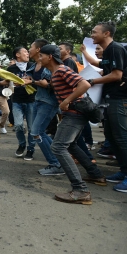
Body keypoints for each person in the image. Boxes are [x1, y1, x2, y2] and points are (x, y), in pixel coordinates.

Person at [40, 45, 107, 204]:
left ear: (50, 57)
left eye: (41, 55)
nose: (39, 58)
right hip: (74, 113)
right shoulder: (56, 72)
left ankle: (80, 190)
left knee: (58, 147)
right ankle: (95, 174)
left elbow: (84, 84)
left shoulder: (62, 70)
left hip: (75, 113)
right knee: (71, 145)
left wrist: (66, 101)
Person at [87, 21, 127, 192]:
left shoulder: (115, 48)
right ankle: (125, 171)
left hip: (121, 99)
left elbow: (116, 75)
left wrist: (91, 81)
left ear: (106, 34)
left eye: (94, 32)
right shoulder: (109, 51)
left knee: (122, 137)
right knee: (112, 136)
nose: (91, 35)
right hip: (112, 98)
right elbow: (105, 68)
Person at [27, 39, 64, 174]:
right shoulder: (33, 66)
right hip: (38, 100)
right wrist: (27, 82)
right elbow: (36, 82)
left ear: (38, 50)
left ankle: (56, 163)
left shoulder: (52, 66)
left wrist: (45, 84)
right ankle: (58, 162)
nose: (28, 50)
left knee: (36, 132)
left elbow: (56, 83)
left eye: (30, 47)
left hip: (48, 102)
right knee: (38, 132)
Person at [5, 46, 36, 158]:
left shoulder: (33, 66)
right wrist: (0, 82)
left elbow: (37, 80)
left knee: (32, 127)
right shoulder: (11, 69)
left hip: (31, 100)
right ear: (17, 55)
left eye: (28, 52)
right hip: (17, 100)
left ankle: (31, 149)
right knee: (18, 125)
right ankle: (22, 145)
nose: (27, 53)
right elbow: (6, 81)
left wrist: (29, 81)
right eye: (25, 52)